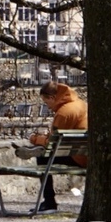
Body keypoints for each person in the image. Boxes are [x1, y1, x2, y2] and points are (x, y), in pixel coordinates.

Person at [28, 81, 88, 214]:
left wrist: (35, 139)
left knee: (42, 157)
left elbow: (52, 143)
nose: (47, 107)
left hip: (79, 158)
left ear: (52, 98)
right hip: (89, 155)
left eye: (46, 102)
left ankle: (49, 202)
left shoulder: (63, 113)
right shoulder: (81, 104)